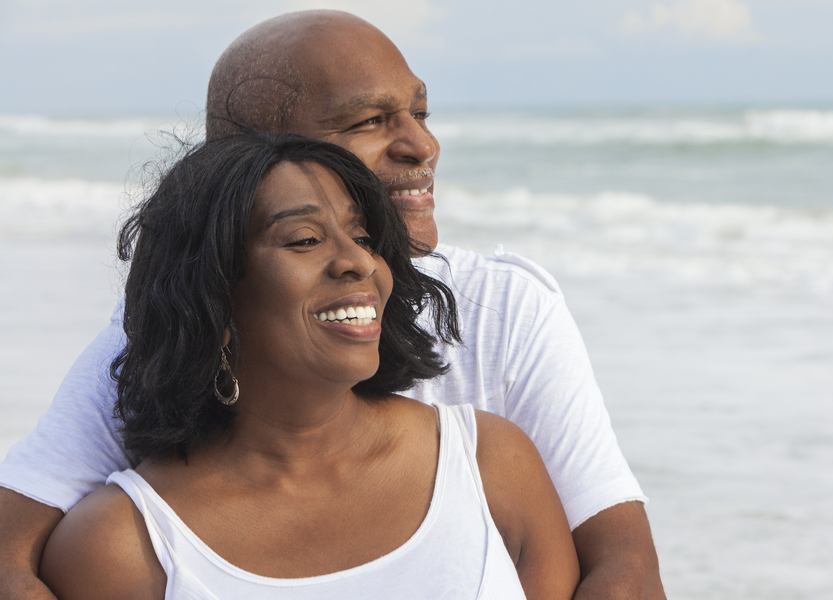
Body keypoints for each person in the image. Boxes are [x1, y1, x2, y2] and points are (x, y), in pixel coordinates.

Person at [0, 10, 666, 600]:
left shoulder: (499, 317)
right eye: (370, 121)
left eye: (420, 113)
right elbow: (10, 556)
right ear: (242, 163)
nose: (423, 145)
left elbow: (626, 569)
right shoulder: (160, 344)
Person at [37, 132, 579, 599]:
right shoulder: (124, 545)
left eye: (363, 236)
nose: (359, 261)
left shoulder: (490, 465)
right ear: (212, 296)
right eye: (305, 240)